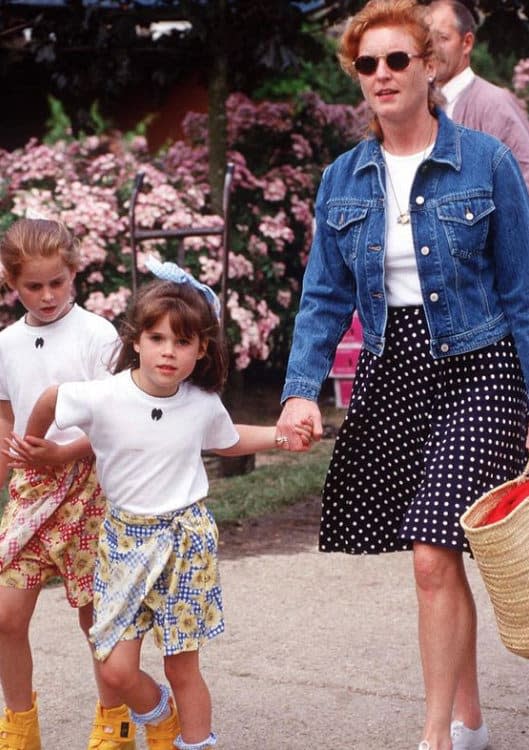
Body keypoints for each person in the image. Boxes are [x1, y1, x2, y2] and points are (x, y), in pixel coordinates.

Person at [276, 1, 529, 749]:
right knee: (438, 552)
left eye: (396, 60)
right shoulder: (342, 179)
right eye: (366, 64)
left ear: (428, 67)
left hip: (478, 366)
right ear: (356, 78)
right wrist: (297, 391)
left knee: (429, 549)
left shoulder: (483, 160)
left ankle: (433, 737)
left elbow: (520, 290)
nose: (381, 75)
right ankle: (471, 721)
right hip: (395, 372)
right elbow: (322, 298)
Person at [18, 258, 312, 750]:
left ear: (201, 349)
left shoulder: (200, 402)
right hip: (123, 543)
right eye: (157, 339)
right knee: (114, 668)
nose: (168, 352)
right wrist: (36, 445)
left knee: (182, 663)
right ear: (136, 340)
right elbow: (50, 397)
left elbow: (229, 437)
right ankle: (158, 713)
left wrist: (282, 436)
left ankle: (196, 743)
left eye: (182, 342)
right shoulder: (105, 396)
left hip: (185, 541)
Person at [0, 217, 135, 750]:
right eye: (33, 285)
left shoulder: (97, 334)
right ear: (12, 283)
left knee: (95, 619)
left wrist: (63, 451)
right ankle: (18, 725)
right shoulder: (6, 342)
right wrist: (9, 454)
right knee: (6, 617)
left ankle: (114, 721)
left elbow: (116, 417)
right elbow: (6, 412)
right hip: (29, 492)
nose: (48, 295)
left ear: (74, 273)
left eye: (57, 282)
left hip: (88, 489)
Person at [428, 0, 529, 188]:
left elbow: (524, 179)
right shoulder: (419, 105)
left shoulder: (494, 104)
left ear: (466, 43)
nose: (432, 49)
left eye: (442, 38)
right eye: (426, 40)